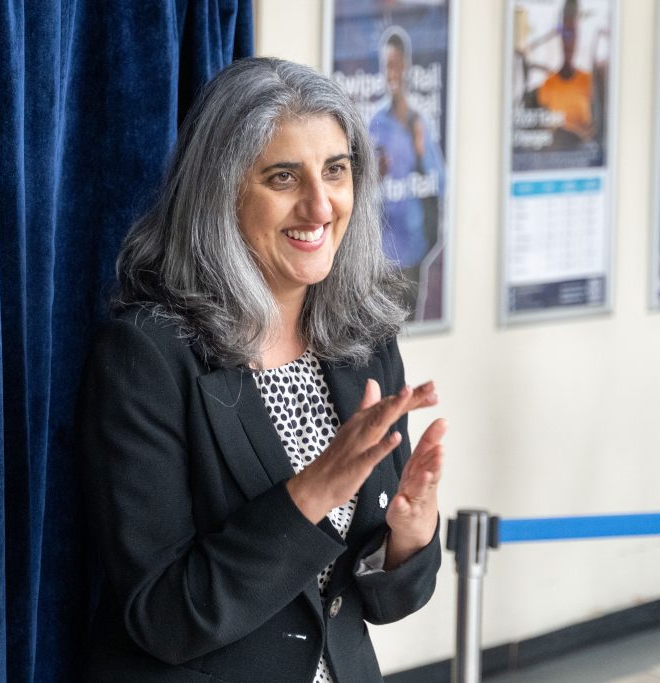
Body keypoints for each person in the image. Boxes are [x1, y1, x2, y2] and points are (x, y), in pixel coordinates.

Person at [78, 57, 447, 682]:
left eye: (336, 171)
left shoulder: (362, 338)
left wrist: (408, 535)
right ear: (220, 192)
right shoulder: (145, 355)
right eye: (283, 177)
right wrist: (315, 490)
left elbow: (383, 601)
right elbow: (165, 616)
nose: (319, 205)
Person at [367, 26, 445, 319]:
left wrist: (421, 150)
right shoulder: (374, 124)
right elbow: (356, 184)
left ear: (407, 66)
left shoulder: (420, 123)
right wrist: (376, 174)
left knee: (411, 329)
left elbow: (441, 181)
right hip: (381, 257)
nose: (393, 73)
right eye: (387, 66)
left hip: (414, 253)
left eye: (397, 65)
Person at [535, 0, 594, 147]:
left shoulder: (588, 82)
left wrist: (576, 134)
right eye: (565, 34)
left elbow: (594, 130)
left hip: (581, 156)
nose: (569, 42)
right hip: (555, 155)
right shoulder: (548, 84)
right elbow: (542, 130)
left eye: (572, 34)